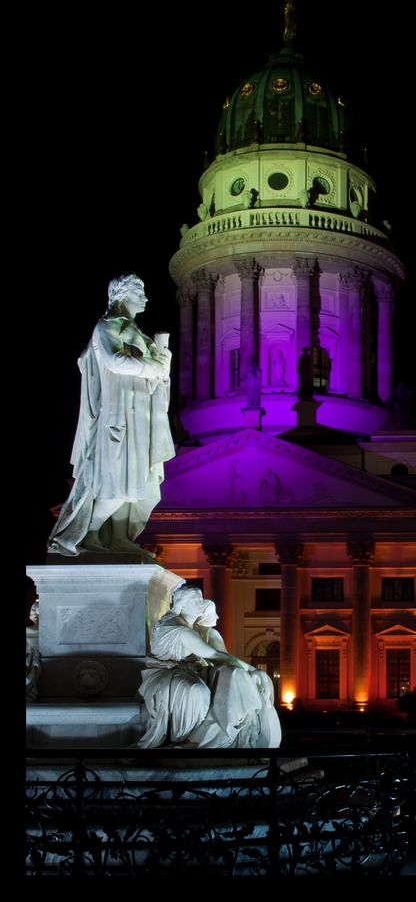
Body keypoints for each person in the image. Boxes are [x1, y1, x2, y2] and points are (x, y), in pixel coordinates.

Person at [47, 275, 175, 557]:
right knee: (118, 481)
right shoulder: (106, 326)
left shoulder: (138, 333)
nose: (146, 298)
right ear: (121, 295)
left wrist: (163, 366)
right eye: (139, 292)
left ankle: (118, 537)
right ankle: (90, 532)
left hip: (141, 416)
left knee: (140, 485)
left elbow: (155, 378)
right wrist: (153, 367)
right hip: (119, 415)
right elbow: (114, 360)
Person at [137, 587, 280, 749]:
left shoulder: (204, 631)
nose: (200, 603)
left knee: (234, 674)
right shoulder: (177, 629)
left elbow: (224, 656)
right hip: (167, 674)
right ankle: (188, 741)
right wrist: (253, 670)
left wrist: (247, 672)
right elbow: (214, 656)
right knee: (198, 691)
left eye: (200, 598)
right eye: (195, 600)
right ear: (182, 605)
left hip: (194, 672)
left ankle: (239, 729)